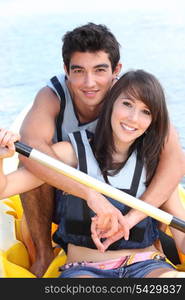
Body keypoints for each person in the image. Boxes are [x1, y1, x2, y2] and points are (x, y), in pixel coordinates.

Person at [17, 23, 184, 277]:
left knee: (157, 164)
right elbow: (31, 149)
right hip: (72, 194)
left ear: (116, 70)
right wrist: (90, 194)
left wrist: (133, 219)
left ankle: (150, 244)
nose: (89, 82)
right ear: (66, 71)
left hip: (130, 206)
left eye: (99, 70)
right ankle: (42, 253)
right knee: (34, 161)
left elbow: (173, 161)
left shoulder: (131, 101)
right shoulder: (53, 96)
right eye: (78, 71)